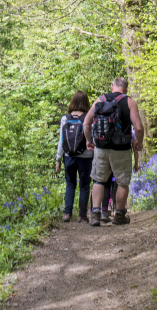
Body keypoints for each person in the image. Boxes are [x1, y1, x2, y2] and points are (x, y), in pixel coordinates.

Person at [83, 77, 144, 226]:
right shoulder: (129, 102)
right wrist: (139, 142)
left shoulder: (100, 99)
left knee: (98, 179)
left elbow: (86, 122)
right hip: (121, 149)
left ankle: (96, 214)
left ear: (112, 87)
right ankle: (119, 214)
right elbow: (139, 127)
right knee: (122, 181)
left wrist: (89, 140)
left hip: (101, 147)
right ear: (126, 89)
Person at [55, 91, 94, 223]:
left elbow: (61, 141)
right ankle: (82, 215)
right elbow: (91, 137)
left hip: (69, 156)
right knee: (84, 185)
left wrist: (58, 159)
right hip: (86, 156)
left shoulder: (65, 118)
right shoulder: (88, 118)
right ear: (86, 103)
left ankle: (67, 213)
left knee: (70, 184)